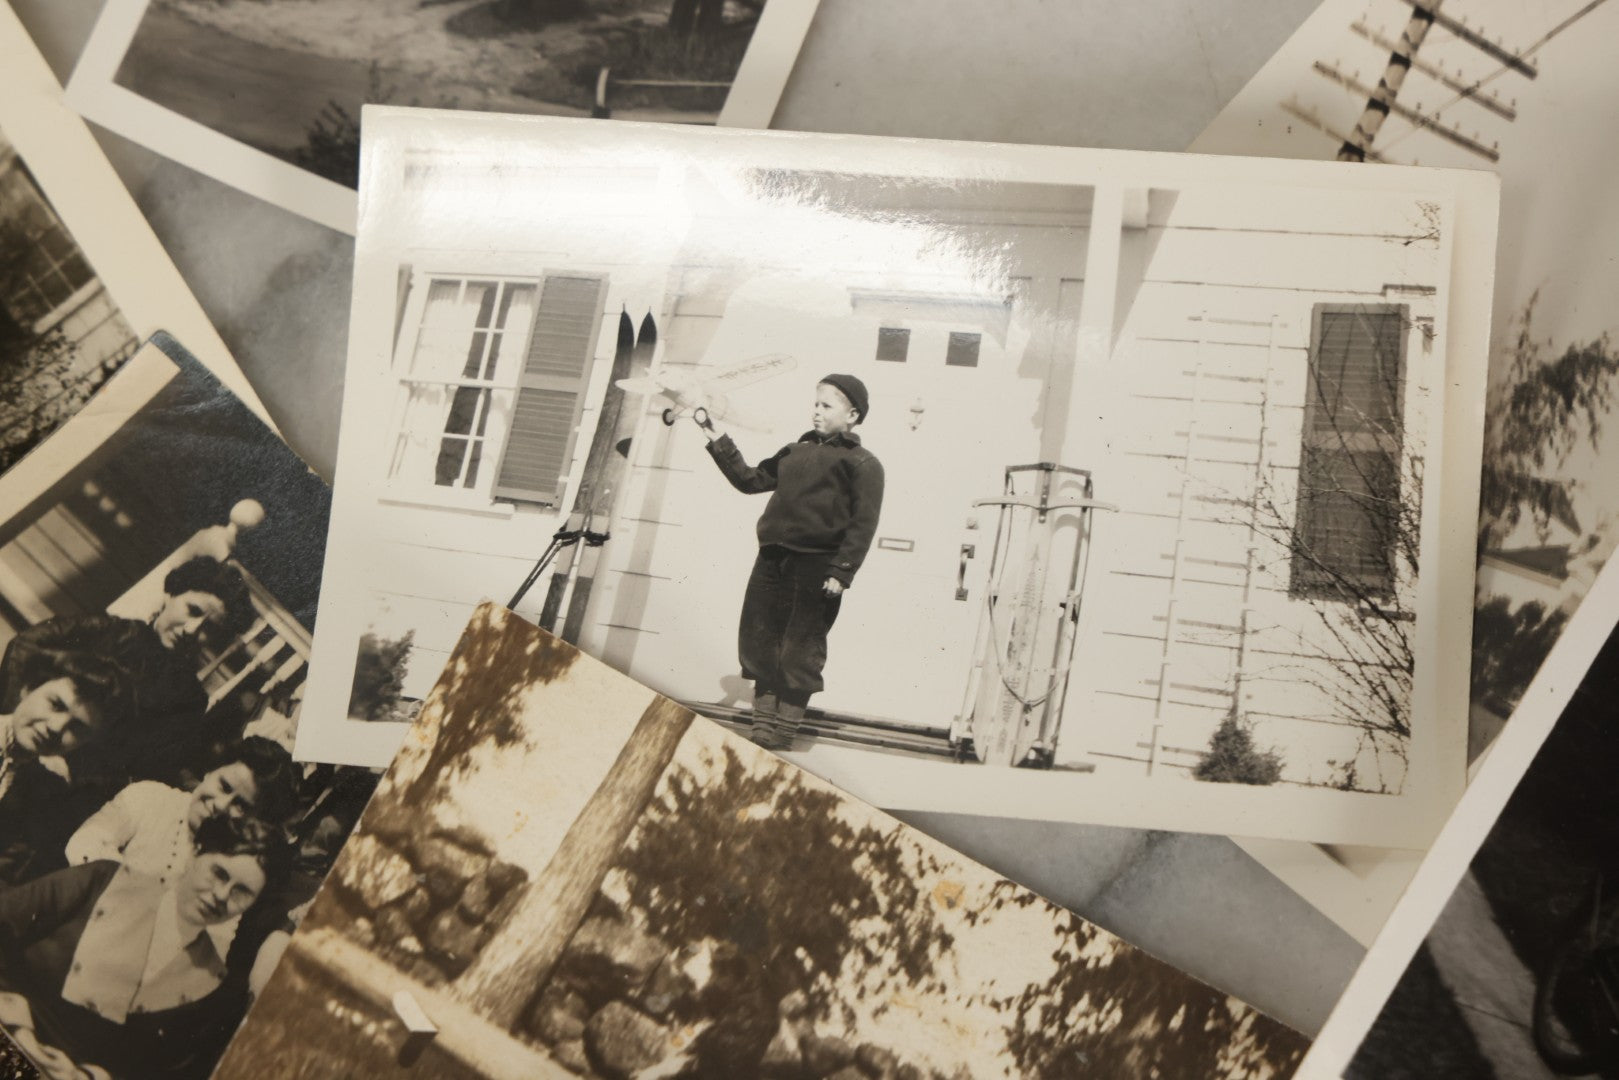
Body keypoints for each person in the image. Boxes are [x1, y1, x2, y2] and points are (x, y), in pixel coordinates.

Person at [0, 814, 289, 1080]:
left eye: (242, 892)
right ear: (196, 854)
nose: (221, 896)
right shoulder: (102, 881)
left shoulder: (213, 988)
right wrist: (19, 1029)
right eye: (220, 874)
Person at [699, 374, 884, 749]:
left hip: (818, 567)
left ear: (852, 416)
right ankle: (762, 724)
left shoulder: (862, 464)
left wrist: (842, 572)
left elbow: (863, 524)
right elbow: (750, 480)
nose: (816, 411)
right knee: (761, 639)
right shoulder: (793, 452)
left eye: (827, 406)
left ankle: (784, 730)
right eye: (815, 403)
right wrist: (715, 437)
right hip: (772, 559)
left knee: (800, 647)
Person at [0, 556, 255, 783]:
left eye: (210, 629)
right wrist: (16, 717)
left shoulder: (188, 701)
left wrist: (72, 770)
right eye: (192, 610)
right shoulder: (112, 631)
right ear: (171, 594)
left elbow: (145, 763)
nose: (192, 630)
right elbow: (25, 645)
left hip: (69, 780)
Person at [64, 736, 300, 889]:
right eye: (223, 786)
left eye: (241, 805)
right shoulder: (150, 797)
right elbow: (83, 844)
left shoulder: (233, 861)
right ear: (209, 772)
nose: (221, 804)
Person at [0, 651, 135, 885]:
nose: (56, 726)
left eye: (78, 727)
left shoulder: (38, 787)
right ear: (29, 688)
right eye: (55, 704)